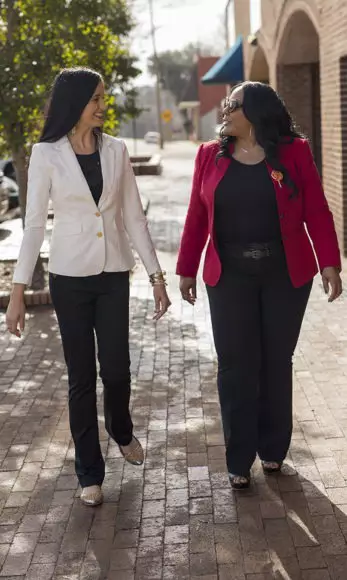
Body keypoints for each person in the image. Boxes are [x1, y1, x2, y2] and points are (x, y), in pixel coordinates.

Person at [6, 67, 171, 506]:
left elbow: (134, 217)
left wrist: (157, 277)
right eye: (96, 99)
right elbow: (35, 224)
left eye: (103, 98)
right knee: (81, 377)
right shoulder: (46, 154)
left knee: (116, 369)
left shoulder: (116, 151)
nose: (103, 106)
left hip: (114, 274)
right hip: (69, 279)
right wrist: (19, 291)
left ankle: (120, 428)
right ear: (75, 102)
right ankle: (89, 473)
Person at [177, 81, 342, 490]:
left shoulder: (294, 153)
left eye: (232, 105)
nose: (224, 111)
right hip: (228, 275)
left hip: (284, 275)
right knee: (235, 364)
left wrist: (330, 263)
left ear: (255, 113)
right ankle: (238, 459)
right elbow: (197, 214)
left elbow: (317, 209)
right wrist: (185, 268)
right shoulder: (208, 157)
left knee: (274, 360)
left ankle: (272, 450)